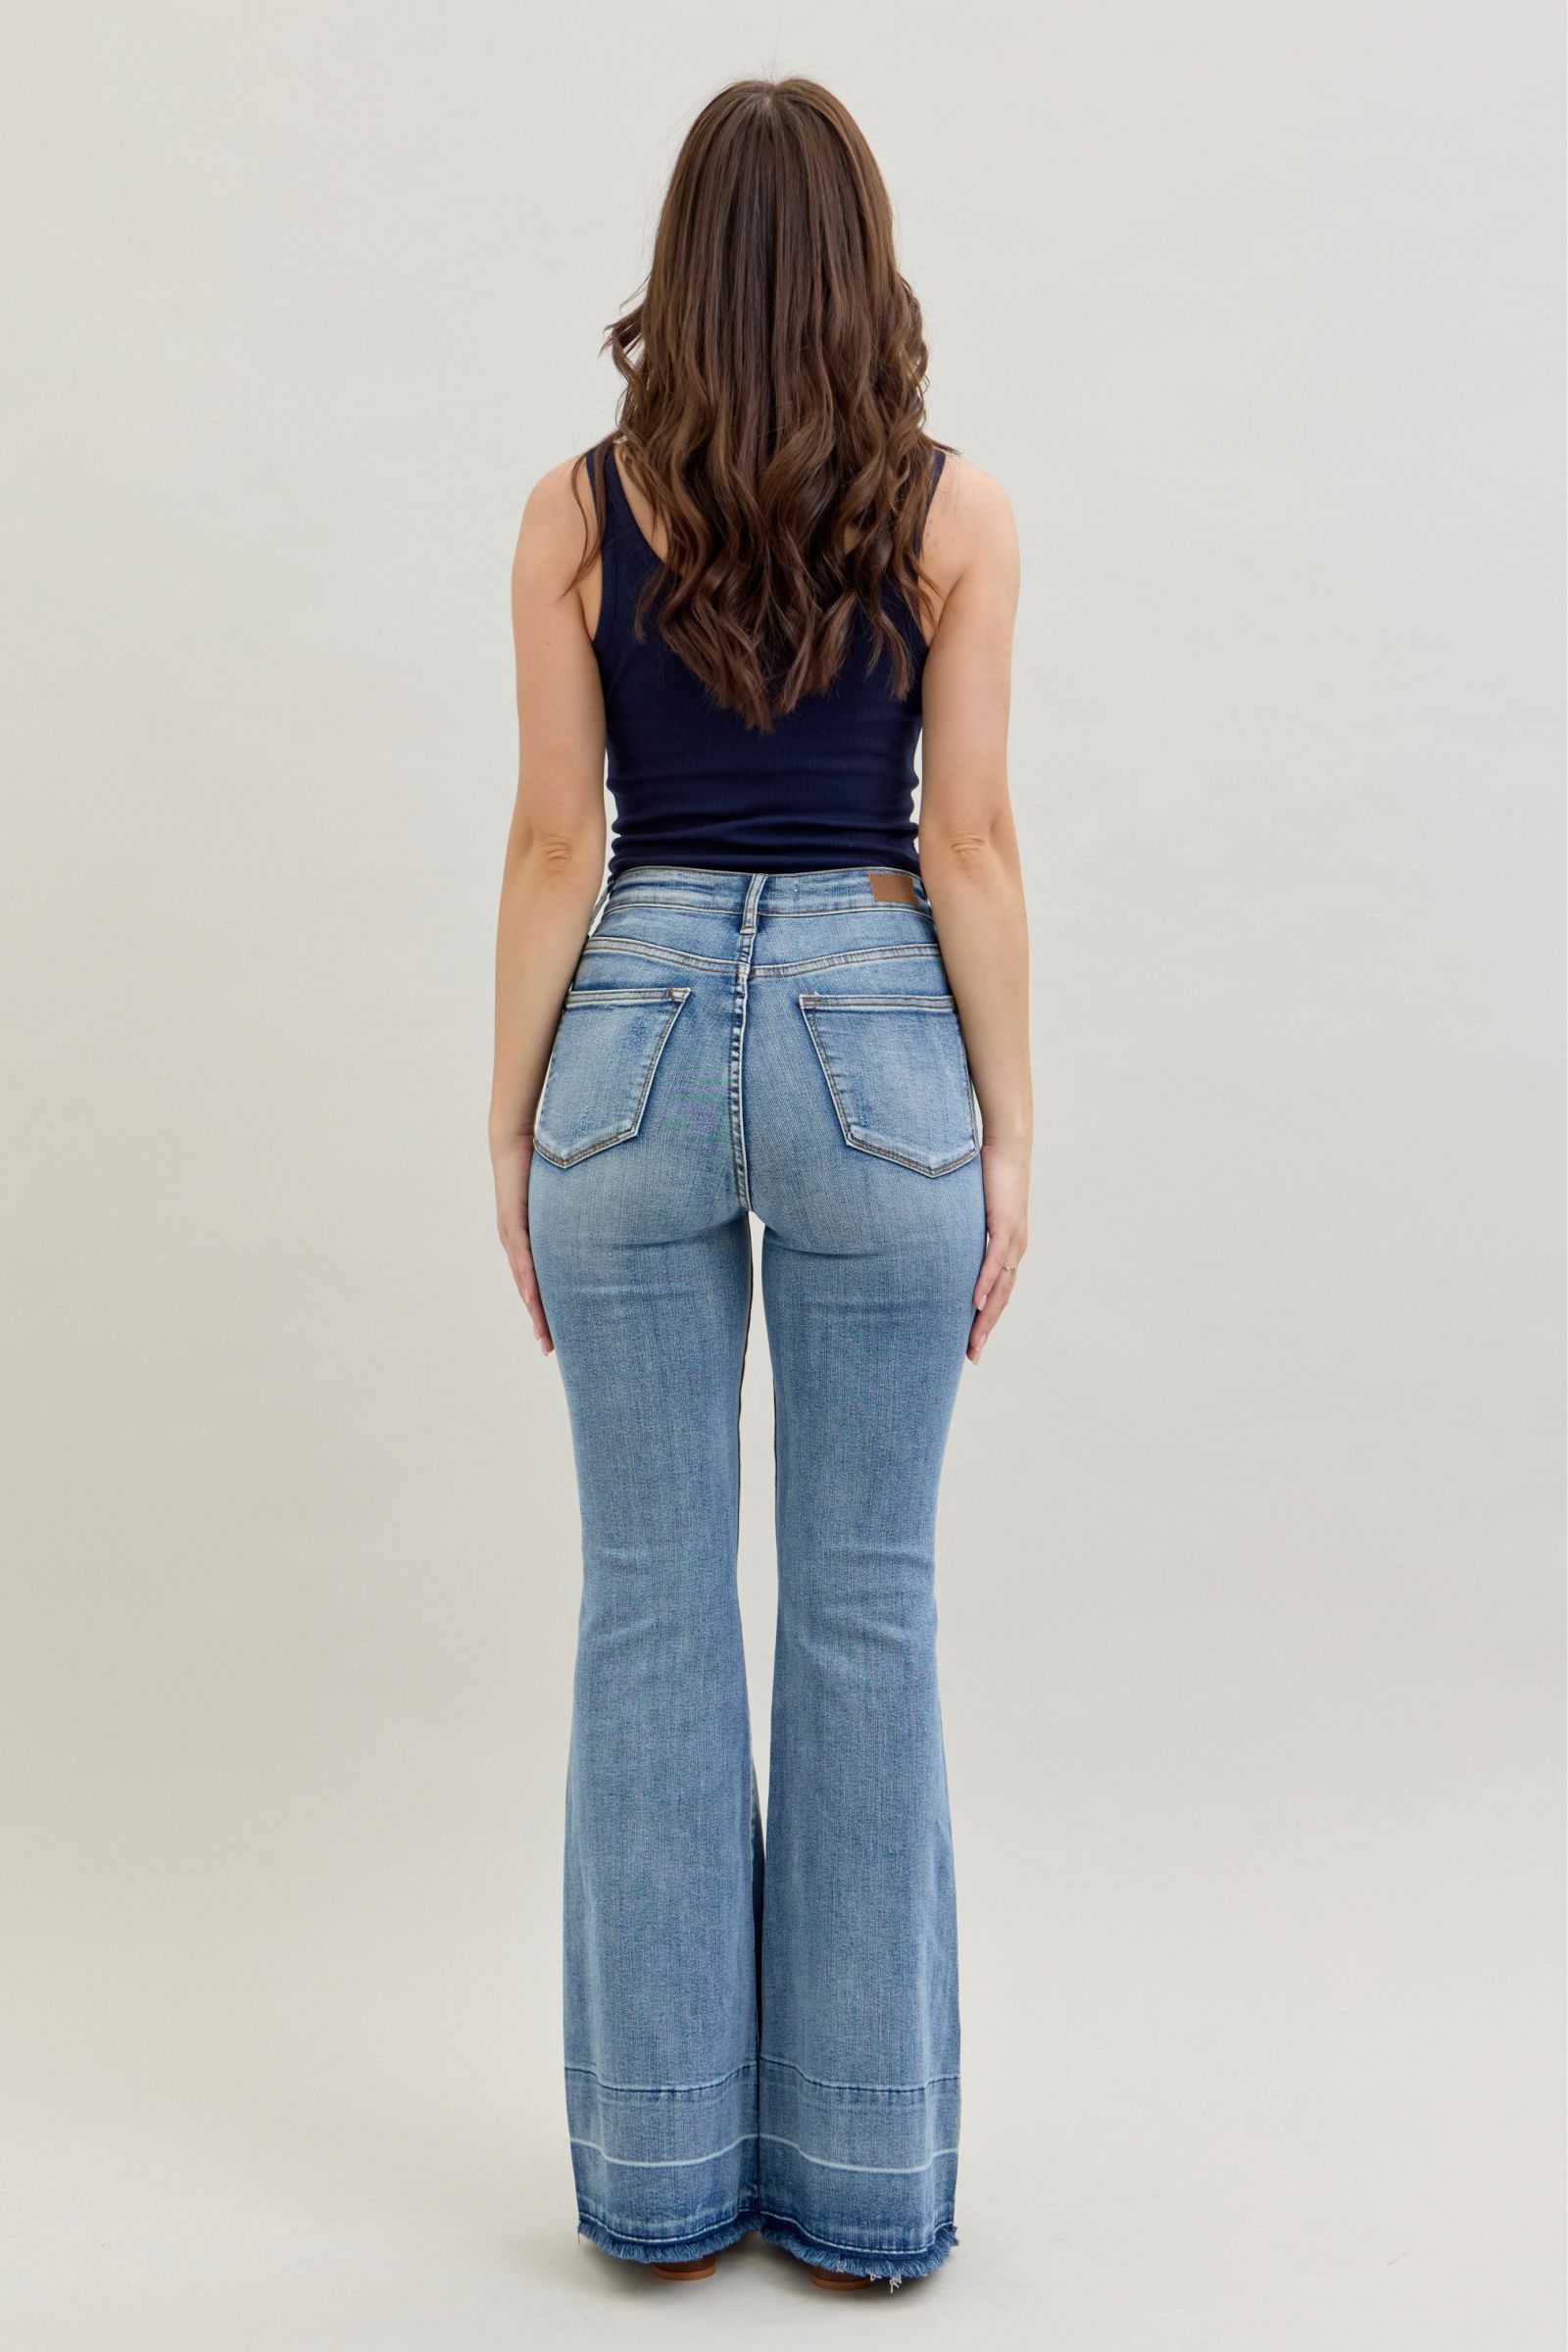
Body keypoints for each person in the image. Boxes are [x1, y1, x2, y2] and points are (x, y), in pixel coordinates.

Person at [489, 75, 1028, 2293]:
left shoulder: (569, 509)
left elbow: (552, 844)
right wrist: (1007, 1136)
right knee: (866, 1605)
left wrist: (502, 1129)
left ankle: (655, 2185)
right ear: (865, 270)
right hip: (873, 1033)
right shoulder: (956, 510)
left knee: (642, 1607)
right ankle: (864, 2190)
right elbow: (969, 844)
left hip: (620, 1035)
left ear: (678, 270)